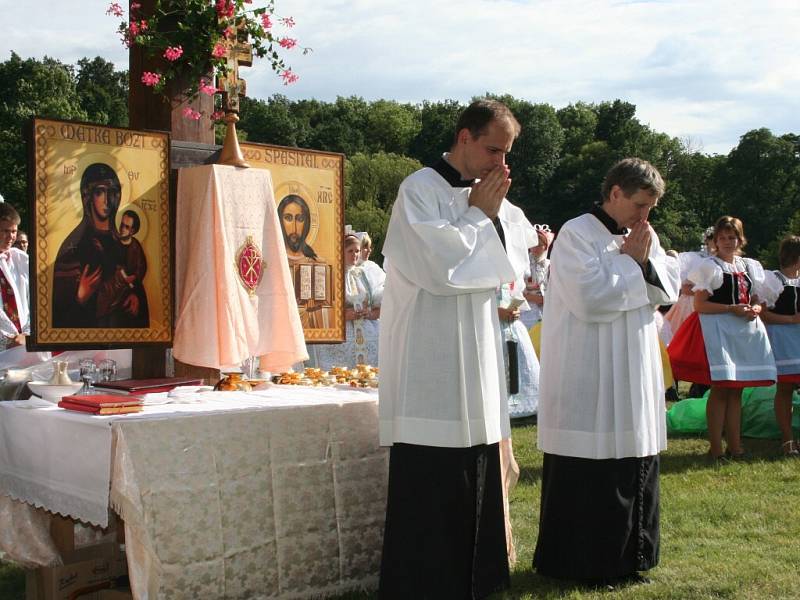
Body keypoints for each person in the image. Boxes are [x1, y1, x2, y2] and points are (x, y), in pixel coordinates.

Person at [378, 99, 530, 599]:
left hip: (480, 351)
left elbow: (513, 266)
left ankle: (479, 578)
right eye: (493, 149)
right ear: (464, 136)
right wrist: (480, 217)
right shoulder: (420, 189)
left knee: (477, 465)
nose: (500, 164)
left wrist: (488, 215)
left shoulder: (496, 199)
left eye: (507, 153)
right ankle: (425, 583)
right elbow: (439, 270)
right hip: (430, 357)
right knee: (433, 476)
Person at [533, 158, 680, 584]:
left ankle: (631, 558)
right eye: (638, 204)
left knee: (634, 454)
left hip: (633, 360)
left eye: (650, 207)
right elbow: (590, 298)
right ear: (614, 192)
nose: (644, 216)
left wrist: (643, 263)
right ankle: (582, 562)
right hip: (588, 366)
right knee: (591, 465)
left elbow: (666, 288)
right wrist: (635, 264)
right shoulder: (577, 233)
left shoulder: (642, 234)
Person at [668, 216, 776, 459]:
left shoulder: (749, 266)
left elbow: (757, 297)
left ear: (740, 239)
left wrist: (757, 308)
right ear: (715, 241)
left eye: (732, 237)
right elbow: (699, 304)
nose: (728, 242)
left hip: (743, 332)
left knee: (736, 390)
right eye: (723, 238)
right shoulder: (710, 267)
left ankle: (735, 446)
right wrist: (731, 309)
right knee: (720, 390)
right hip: (718, 331)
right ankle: (716, 447)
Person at [52, 163, 144, 328]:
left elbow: (134, 279)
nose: (107, 200)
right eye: (100, 192)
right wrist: (79, 298)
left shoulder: (125, 243)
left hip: (122, 335)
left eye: (112, 192)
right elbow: (58, 311)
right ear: (87, 197)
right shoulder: (74, 245)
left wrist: (135, 295)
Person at [312, 234, 381, 368]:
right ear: (340, 252)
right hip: (341, 334)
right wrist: (344, 315)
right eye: (350, 251)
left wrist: (369, 313)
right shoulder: (329, 275)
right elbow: (318, 312)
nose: (355, 254)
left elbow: (379, 307)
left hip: (366, 332)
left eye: (357, 251)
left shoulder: (366, 274)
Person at [758, 235, 800, 455]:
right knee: (785, 389)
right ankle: (788, 439)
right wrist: (792, 320)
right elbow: (763, 314)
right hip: (782, 337)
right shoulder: (773, 279)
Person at [277, 193, 330, 329]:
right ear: (279, 221)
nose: (294, 228)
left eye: (300, 219)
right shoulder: (272, 263)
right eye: (288, 218)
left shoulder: (317, 264)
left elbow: (324, 320)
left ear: (307, 223)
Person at [0, 204, 30, 351]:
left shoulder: (22, 260)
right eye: (6, 231)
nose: (11, 237)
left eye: (14, 231)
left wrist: (27, 334)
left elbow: (36, 302)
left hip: (22, 343)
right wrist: (5, 341)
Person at [519, 226, 552, 330]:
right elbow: (514, 290)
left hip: (547, 314)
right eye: (534, 244)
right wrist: (534, 298)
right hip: (526, 314)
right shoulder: (522, 264)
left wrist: (547, 299)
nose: (536, 248)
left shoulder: (551, 265)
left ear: (546, 246)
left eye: (540, 245)